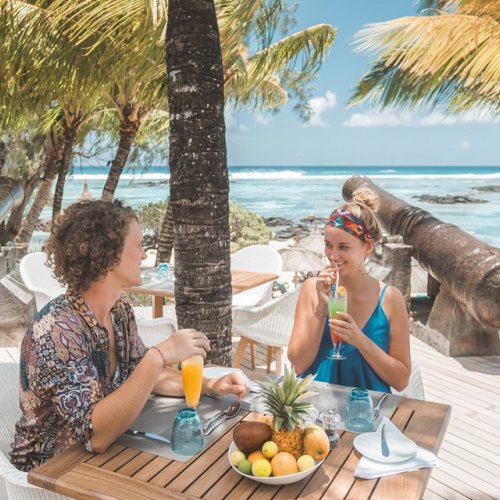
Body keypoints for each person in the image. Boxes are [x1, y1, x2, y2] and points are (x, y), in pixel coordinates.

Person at [10, 199, 247, 472]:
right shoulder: (58, 331)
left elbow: (143, 375)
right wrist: (159, 354)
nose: (144, 255)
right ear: (108, 254)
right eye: (138, 245)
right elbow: (95, 437)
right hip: (53, 470)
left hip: (109, 452)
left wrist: (210, 385)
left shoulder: (118, 310)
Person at [288, 189, 411, 393]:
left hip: (368, 408)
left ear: (368, 248)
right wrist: (322, 308)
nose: (333, 255)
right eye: (329, 245)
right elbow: (299, 365)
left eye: (343, 247)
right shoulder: (311, 288)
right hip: (316, 404)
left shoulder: (390, 298)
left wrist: (359, 340)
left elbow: (401, 381)